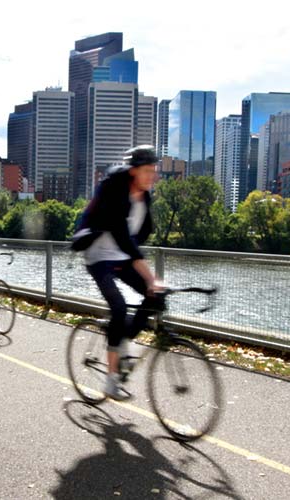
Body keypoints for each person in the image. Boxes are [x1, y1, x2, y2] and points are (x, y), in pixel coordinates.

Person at [72, 145, 162, 400]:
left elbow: (141, 234)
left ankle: (121, 342)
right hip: (98, 256)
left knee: (156, 298)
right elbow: (122, 235)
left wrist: (150, 281)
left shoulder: (144, 197)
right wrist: (149, 274)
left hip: (121, 256)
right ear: (133, 171)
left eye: (153, 171)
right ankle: (111, 380)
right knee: (120, 308)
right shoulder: (113, 189)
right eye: (146, 170)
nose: (151, 176)